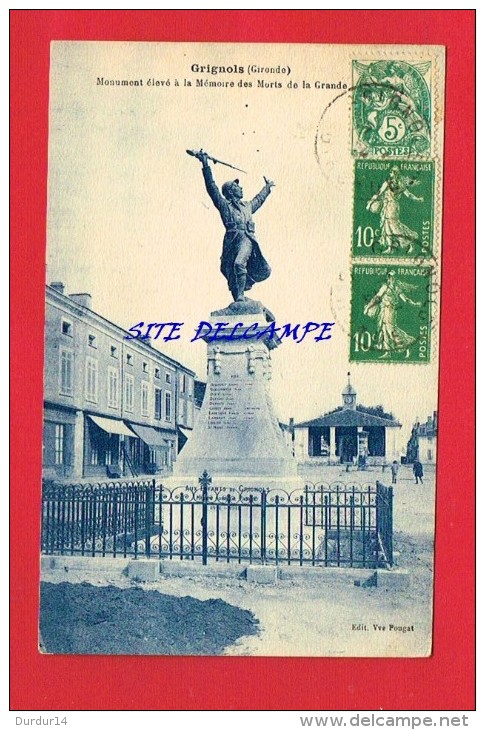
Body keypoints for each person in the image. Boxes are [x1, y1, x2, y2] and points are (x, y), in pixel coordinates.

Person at [195, 150, 275, 302]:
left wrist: (267, 187)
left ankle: (240, 297)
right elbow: (212, 189)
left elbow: (259, 199)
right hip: (232, 241)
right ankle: (238, 299)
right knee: (231, 270)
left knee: (239, 263)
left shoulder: (247, 206)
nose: (241, 188)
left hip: (246, 239)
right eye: (237, 187)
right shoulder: (225, 206)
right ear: (231, 191)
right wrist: (205, 164)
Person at [366, 166, 423, 255]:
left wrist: (370, 203)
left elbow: (379, 193)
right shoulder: (401, 184)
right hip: (392, 206)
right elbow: (409, 195)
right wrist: (418, 199)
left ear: (393, 174)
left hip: (390, 206)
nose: (390, 174)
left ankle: (410, 240)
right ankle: (390, 248)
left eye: (391, 173)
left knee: (394, 227)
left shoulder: (388, 183)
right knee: (387, 226)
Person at [364, 271, 421, 359]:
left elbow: (405, 299)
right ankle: (388, 353)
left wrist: (414, 303)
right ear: (389, 278)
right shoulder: (385, 287)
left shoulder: (396, 288)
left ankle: (407, 343)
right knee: (384, 330)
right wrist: (368, 307)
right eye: (391, 277)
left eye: (394, 277)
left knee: (390, 330)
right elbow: (376, 298)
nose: (393, 278)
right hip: (384, 310)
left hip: (390, 310)